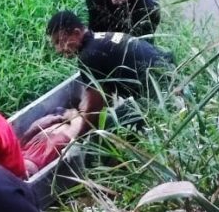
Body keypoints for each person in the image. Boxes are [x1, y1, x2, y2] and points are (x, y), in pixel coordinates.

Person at [46, 11, 174, 137]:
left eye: (59, 42)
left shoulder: (88, 56)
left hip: (161, 92)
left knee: (107, 131)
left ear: (76, 33)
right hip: (169, 71)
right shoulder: (99, 39)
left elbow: (94, 110)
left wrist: (77, 138)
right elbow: (104, 94)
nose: (58, 50)